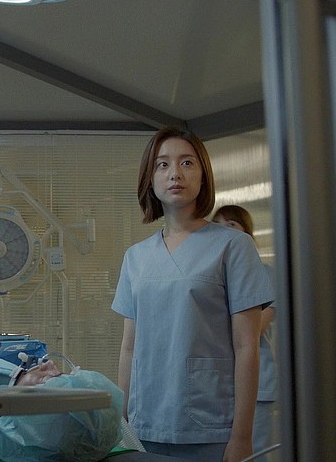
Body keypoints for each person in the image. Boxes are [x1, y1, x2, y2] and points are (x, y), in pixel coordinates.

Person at [112, 127, 273, 461]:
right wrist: (122, 423)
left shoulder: (233, 246)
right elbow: (129, 347)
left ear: (203, 175)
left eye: (187, 163)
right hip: (145, 423)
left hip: (210, 424)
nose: (175, 173)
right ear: (150, 179)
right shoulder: (135, 257)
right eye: (163, 164)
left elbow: (247, 347)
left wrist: (241, 437)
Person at [213, 204, 279, 459]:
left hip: (257, 385)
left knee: (252, 454)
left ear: (247, 234)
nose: (223, 230)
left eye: (231, 224)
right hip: (218, 385)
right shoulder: (213, 274)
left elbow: (255, 328)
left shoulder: (265, 274)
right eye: (217, 224)